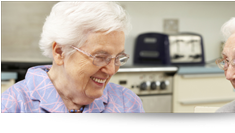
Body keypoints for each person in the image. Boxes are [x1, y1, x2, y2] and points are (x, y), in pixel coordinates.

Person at [1, 1, 144, 113]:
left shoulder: (127, 103)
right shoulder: (13, 105)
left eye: (119, 57)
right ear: (60, 52)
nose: (112, 70)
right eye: (100, 57)